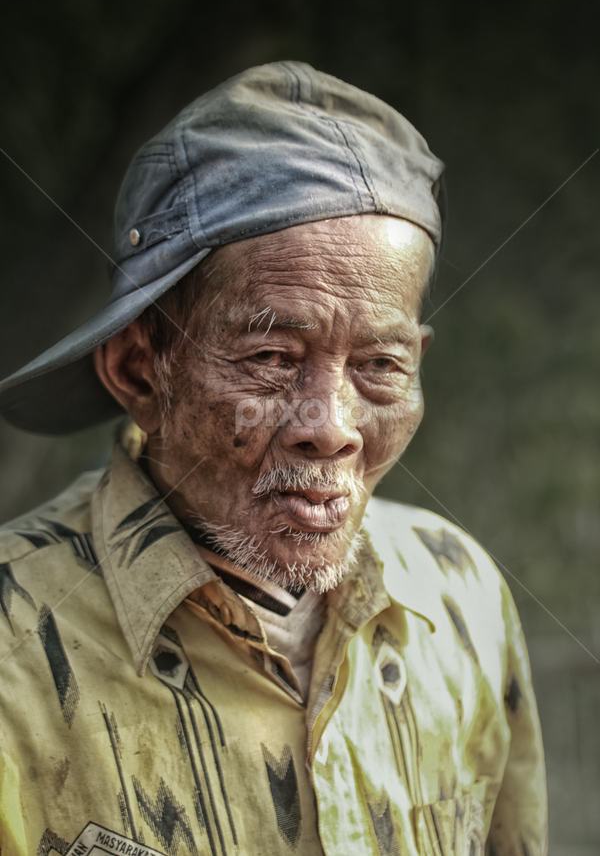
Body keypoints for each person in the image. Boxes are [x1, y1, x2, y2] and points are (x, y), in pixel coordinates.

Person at [0, 62, 546, 856]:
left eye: (381, 366)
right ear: (139, 369)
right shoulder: (14, 647)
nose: (330, 427)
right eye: (269, 356)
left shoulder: (460, 590)